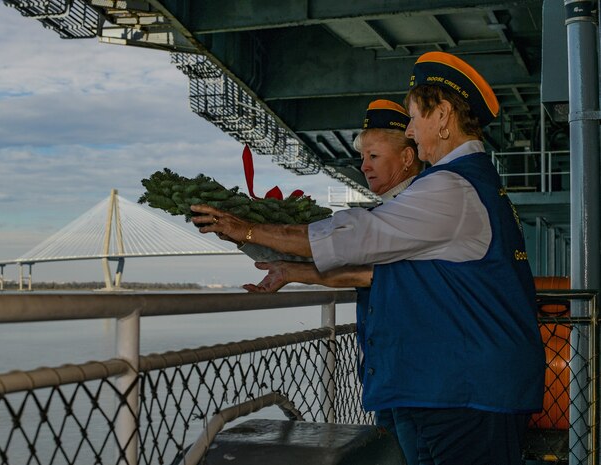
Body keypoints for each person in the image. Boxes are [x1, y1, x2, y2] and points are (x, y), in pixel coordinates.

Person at [193, 51, 545, 465]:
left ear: (444, 115)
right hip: (462, 386)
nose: (411, 131)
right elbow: (385, 269)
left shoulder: (451, 188)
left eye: (414, 117)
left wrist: (246, 230)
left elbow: (360, 236)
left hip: (467, 391)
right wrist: (292, 269)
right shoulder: (471, 183)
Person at [241, 99, 422, 465]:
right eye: (364, 157)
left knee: (410, 454)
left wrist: (245, 229)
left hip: (413, 370)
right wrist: (290, 271)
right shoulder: (395, 209)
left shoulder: (415, 210)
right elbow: (362, 267)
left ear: (406, 158)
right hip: (393, 368)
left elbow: (372, 271)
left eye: (373, 156)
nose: (363, 166)